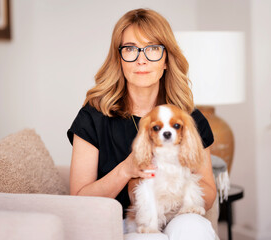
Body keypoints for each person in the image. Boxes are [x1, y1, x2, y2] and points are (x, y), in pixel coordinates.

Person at [67, 8, 217, 239]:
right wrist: (126, 170)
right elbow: (78, 200)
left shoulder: (188, 118)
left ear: (167, 59)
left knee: (192, 228)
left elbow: (208, 191)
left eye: (153, 48)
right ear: (119, 59)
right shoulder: (93, 117)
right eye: (130, 49)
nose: (141, 59)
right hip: (121, 226)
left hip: (178, 217)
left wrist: (173, 187)